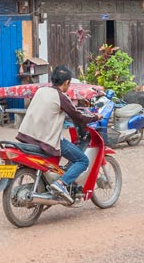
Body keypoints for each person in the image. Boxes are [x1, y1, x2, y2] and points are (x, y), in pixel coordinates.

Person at [16, 65, 99, 203]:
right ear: (66, 82)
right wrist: (96, 117)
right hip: (46, 140)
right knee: (83, 160)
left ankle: (54, 180)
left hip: (27, 136)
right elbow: (77, 116)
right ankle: (61, 183)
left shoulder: (41, 91)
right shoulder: (61, 96)